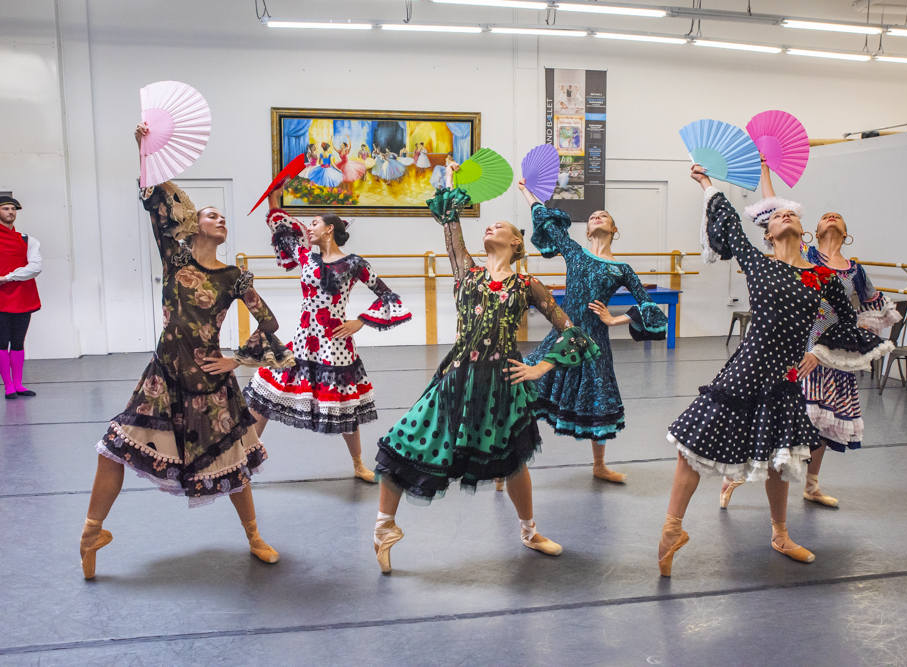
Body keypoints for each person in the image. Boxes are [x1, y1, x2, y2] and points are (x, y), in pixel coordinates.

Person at [79, 123, 296, 580]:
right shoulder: (174, 258)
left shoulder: (234, 277)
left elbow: (271, 323)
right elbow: (155, 203)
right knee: (112, 448)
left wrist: (238, 359)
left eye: (223, 217)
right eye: (213, 215)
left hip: (211, 382)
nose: (221, 220)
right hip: (162, 378)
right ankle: (91, 532)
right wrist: (144, 150)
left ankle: (254, 535)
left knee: (233, 463)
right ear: (196, 223)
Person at [656, 165, 892, 577]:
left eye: (792, 214)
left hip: (784, 380)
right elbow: (730, 223)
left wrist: (818, 350)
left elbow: (843, 319)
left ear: (803, 232)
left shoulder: (821, 277)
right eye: (778, 214)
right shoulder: (758, 262)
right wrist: (707, 184)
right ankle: (672, 529)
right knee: (692, 447)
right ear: (767, 233)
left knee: (780, 462)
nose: (785, 214)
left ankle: (780, 534)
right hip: (744, 371)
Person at [370, 164, 600, 573]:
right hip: (456, 378)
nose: (491, 226)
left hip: (502, 384)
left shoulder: (527, 285)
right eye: (488, 225)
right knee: (400, 442)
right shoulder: (467, 272)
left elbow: (572, 332)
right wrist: (452, 182)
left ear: (516, 242)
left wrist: (541, 367)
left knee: (513, 462)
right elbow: (449, 221)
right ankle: (384, 527)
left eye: (500, 226)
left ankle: (529, 531)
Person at [719, 161, 900, 509]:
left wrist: (850, 342)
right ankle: (735, 477)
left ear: (846, 233)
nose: (831, 217)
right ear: (811, 233)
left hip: (831, 354)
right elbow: (776, 212)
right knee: (777, 420)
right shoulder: (807, 257)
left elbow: (869, 311)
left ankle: (812, 485)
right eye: (825, 216)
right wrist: (765, 172)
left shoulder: (855, 271)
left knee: (821, 426)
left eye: (838, 217)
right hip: (799, 351)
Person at [243, 188, 411, 482]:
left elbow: (387, 295)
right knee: (265, 397)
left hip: (335, 345)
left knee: (346, 408)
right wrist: (273, 199)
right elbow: (283, 233)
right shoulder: (306, 257)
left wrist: (360, 321)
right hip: (303, 341)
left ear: (329, 229)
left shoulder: (355, 263)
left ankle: (358, 464)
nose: (308, 228)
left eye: (314, 223)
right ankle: (246, 461)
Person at [517, 180, 667, 484]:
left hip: (595, 341)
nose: (597, 217)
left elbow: (649, 306)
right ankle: (511, 462)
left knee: (598, 399)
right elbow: (547, 222)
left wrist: (614, 320)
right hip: (563, 335)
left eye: (604, 216)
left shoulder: (622, 269)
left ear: (614, 230)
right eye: (593, 217)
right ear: (587, 231)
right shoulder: (575, 252)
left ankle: (599, 466)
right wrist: (526, 192)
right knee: (525, 385)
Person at [0, 194, 41, 399]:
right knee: (1, 342)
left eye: (13, 209)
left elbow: (35, 267)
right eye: (5, 208)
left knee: (18, 341)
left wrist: (6, 277)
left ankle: (18, 384)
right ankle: (8, 386)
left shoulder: (27, 239)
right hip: (1, 299)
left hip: (22, 296)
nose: (10, 212)